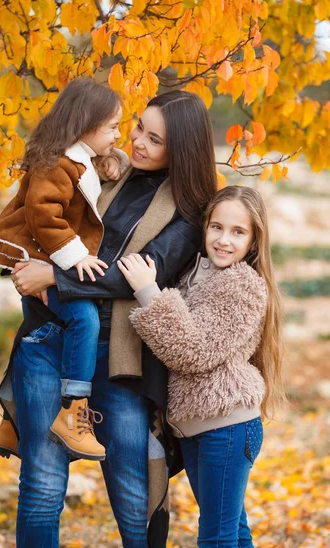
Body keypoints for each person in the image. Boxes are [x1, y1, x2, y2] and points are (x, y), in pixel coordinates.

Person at [0, 89, 218, 548]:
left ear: (182, 151)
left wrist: (51, 277)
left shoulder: (189, 213)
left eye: (155, 140)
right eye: (138, 128)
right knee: (41, 481)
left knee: (132, 483)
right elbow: (41, 217)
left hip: (119, 357)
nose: (137, 143)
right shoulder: (96, 168)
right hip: (49, 340)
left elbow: (134, 276)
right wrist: (31, 266)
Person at [119, 185, 286, 548]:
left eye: (238, 232)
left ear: (254, 242)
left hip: (227, 427)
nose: (224, 240)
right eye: (217, 227)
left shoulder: (244, 286)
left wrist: (148, 292)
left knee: (215, 537)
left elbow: (193, 351)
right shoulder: (193, 273)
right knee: (232, 533)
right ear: (205, 227)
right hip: (196, 428)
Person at [0, 76, 127, 461]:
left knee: (35, 325)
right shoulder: (58, 164)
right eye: (113, 127)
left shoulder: (74, 158)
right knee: (84, 319)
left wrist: (106, 163)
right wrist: (74, 257)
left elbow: (82, 189)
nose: (119, 133)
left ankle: (11, 424)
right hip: (42, 256)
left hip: (42, 260)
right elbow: (44, 213)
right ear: (87, 125)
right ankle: (73, 410)